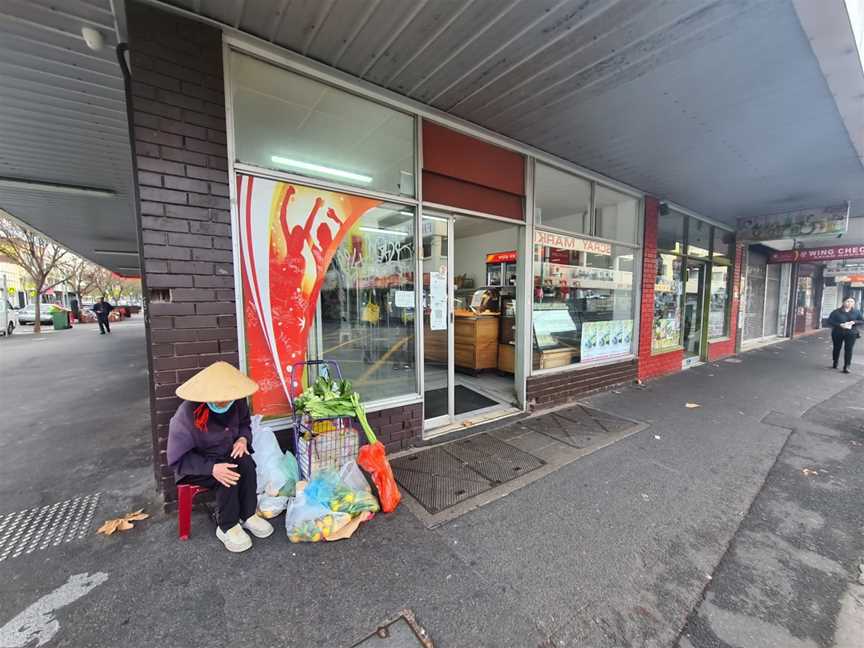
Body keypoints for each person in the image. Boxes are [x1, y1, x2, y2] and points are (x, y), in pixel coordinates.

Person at [167, 361, 273, 552]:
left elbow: (244, 424)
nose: (224, 402)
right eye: (218, 399)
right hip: (197, 465)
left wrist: (242, 439)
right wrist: (211, 468)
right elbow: (178, 458)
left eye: (228, 398)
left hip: (228, 452)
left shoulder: (238, 401)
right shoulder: (187, 414)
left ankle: (248, 514)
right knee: (227, 471)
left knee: (247, 463)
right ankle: (227, 525)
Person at [828, 297, 863, 374]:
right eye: (848, 301)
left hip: (851, 333)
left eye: (852, 302)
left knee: (849, 349)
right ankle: (835, 361)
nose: (849, 303)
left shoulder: (856, 312)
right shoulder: (836, 312)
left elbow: (861, 321)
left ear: (854, 303)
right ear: (843, 302)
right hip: (837, 333)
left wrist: (854, 322)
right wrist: (840, 325)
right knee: (837, 348)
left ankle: (847, 366)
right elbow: (830, 321)